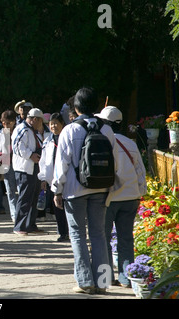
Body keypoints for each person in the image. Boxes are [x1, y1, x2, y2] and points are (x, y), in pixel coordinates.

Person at [51, 87, 119, 294]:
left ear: (76, 107)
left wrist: (57, 190)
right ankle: (104, 282)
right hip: (101, 188)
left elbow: (61, 164)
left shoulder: (69, 130)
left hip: (74, 190)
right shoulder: (106, 130)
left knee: (78, 235)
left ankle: (85, 281)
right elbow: (114, 162)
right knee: (100, 234)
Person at [96, 106, 147, 288]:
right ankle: (126, 279)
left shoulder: (102, 142)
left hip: (109, 198)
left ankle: (106, 279)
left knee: (102, 239)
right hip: (131, 198)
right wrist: (141, 193)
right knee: (126, 239)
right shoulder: (130, 143)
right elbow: (141, 171)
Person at [11, 107, 48, 235]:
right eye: (40, 121)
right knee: (24, 198)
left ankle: (30, 225)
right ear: (35, 119)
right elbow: (16, 146)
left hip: (34, 169)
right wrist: (30, 155)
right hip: (24, 169)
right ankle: (19, 226)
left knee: (34, 198)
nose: (41, 124)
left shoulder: (34, 131)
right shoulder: (21, 129)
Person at [38, 112, 69, 241]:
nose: (54, 126)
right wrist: (43, 178)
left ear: (62, 124)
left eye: (56, 123)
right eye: (51, 124)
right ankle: (63, 232)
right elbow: (43, 161)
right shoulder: (47, 140)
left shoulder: (67, 138)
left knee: (68, 207)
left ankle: (71, 231)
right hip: (53, 178)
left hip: (67, 177)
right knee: (58, 207)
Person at [0, 110, 18, 222]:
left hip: (20, 164)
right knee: (10, 191)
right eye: (4, 123)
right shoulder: (0, 134)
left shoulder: (20, 131)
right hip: (7, 164)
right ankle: (14, 215)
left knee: (22, 190)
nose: (6, 125)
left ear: (14, 122)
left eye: (8, 123)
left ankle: (23, 214)